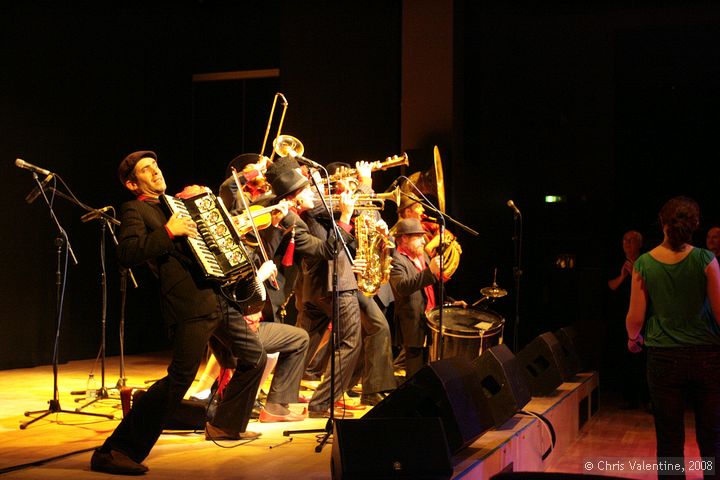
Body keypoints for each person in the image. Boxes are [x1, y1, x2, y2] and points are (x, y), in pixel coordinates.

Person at [90, 151, 267, 475]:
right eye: (146, 170)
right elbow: (127, 253)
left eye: (155, 165)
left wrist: (212, 213)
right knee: (180, 378)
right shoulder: (136, 209)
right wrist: (167, 232)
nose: (155, 171)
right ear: (133, 183)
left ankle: (224, 424)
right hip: (189, 304)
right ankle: (114, 450)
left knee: (254, 357)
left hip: (218, 298)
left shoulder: (179, 204)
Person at [626, 196, 720, 476]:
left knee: (669, 439)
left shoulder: (644, 263)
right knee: (712, 437)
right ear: (696, 225)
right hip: (708, 357)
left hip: (664, 359)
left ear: (662, 222)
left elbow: (635, 319)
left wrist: (633, 339)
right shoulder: (706, 260)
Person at [261, 164, 363, 418]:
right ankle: (321, 403)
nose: (314, 193)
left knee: (301, 341)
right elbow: (329, 250)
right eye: (308, 188)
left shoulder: (296, 217)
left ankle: (278, 402)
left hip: (311, 288)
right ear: (294, 196)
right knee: (350, 341)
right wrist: (347, 215)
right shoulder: (293, 218)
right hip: (326, 285)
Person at [389, 218, 465, 379]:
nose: (424, 240)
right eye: (418, 236)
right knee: (415, 372)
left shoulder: (423, 255)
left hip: (431, 321)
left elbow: (433, 288)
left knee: (430, 370)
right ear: (403, 239)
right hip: (413, 323)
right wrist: (429, 271)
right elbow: (403, 287)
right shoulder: (396, 260)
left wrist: (450, 303)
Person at [606, 230, 648, 410]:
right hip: (620, 316)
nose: (627, 243)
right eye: (624, 240)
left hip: (642, 316)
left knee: (643, 359)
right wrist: (624, 275)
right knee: (625, 359)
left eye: (631, 241)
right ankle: (629, 398)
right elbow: (611, 286)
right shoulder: (618, 262)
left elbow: (650, 288)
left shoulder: (646, 262)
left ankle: (647, 399)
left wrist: (634, 275)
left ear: (639, 244)